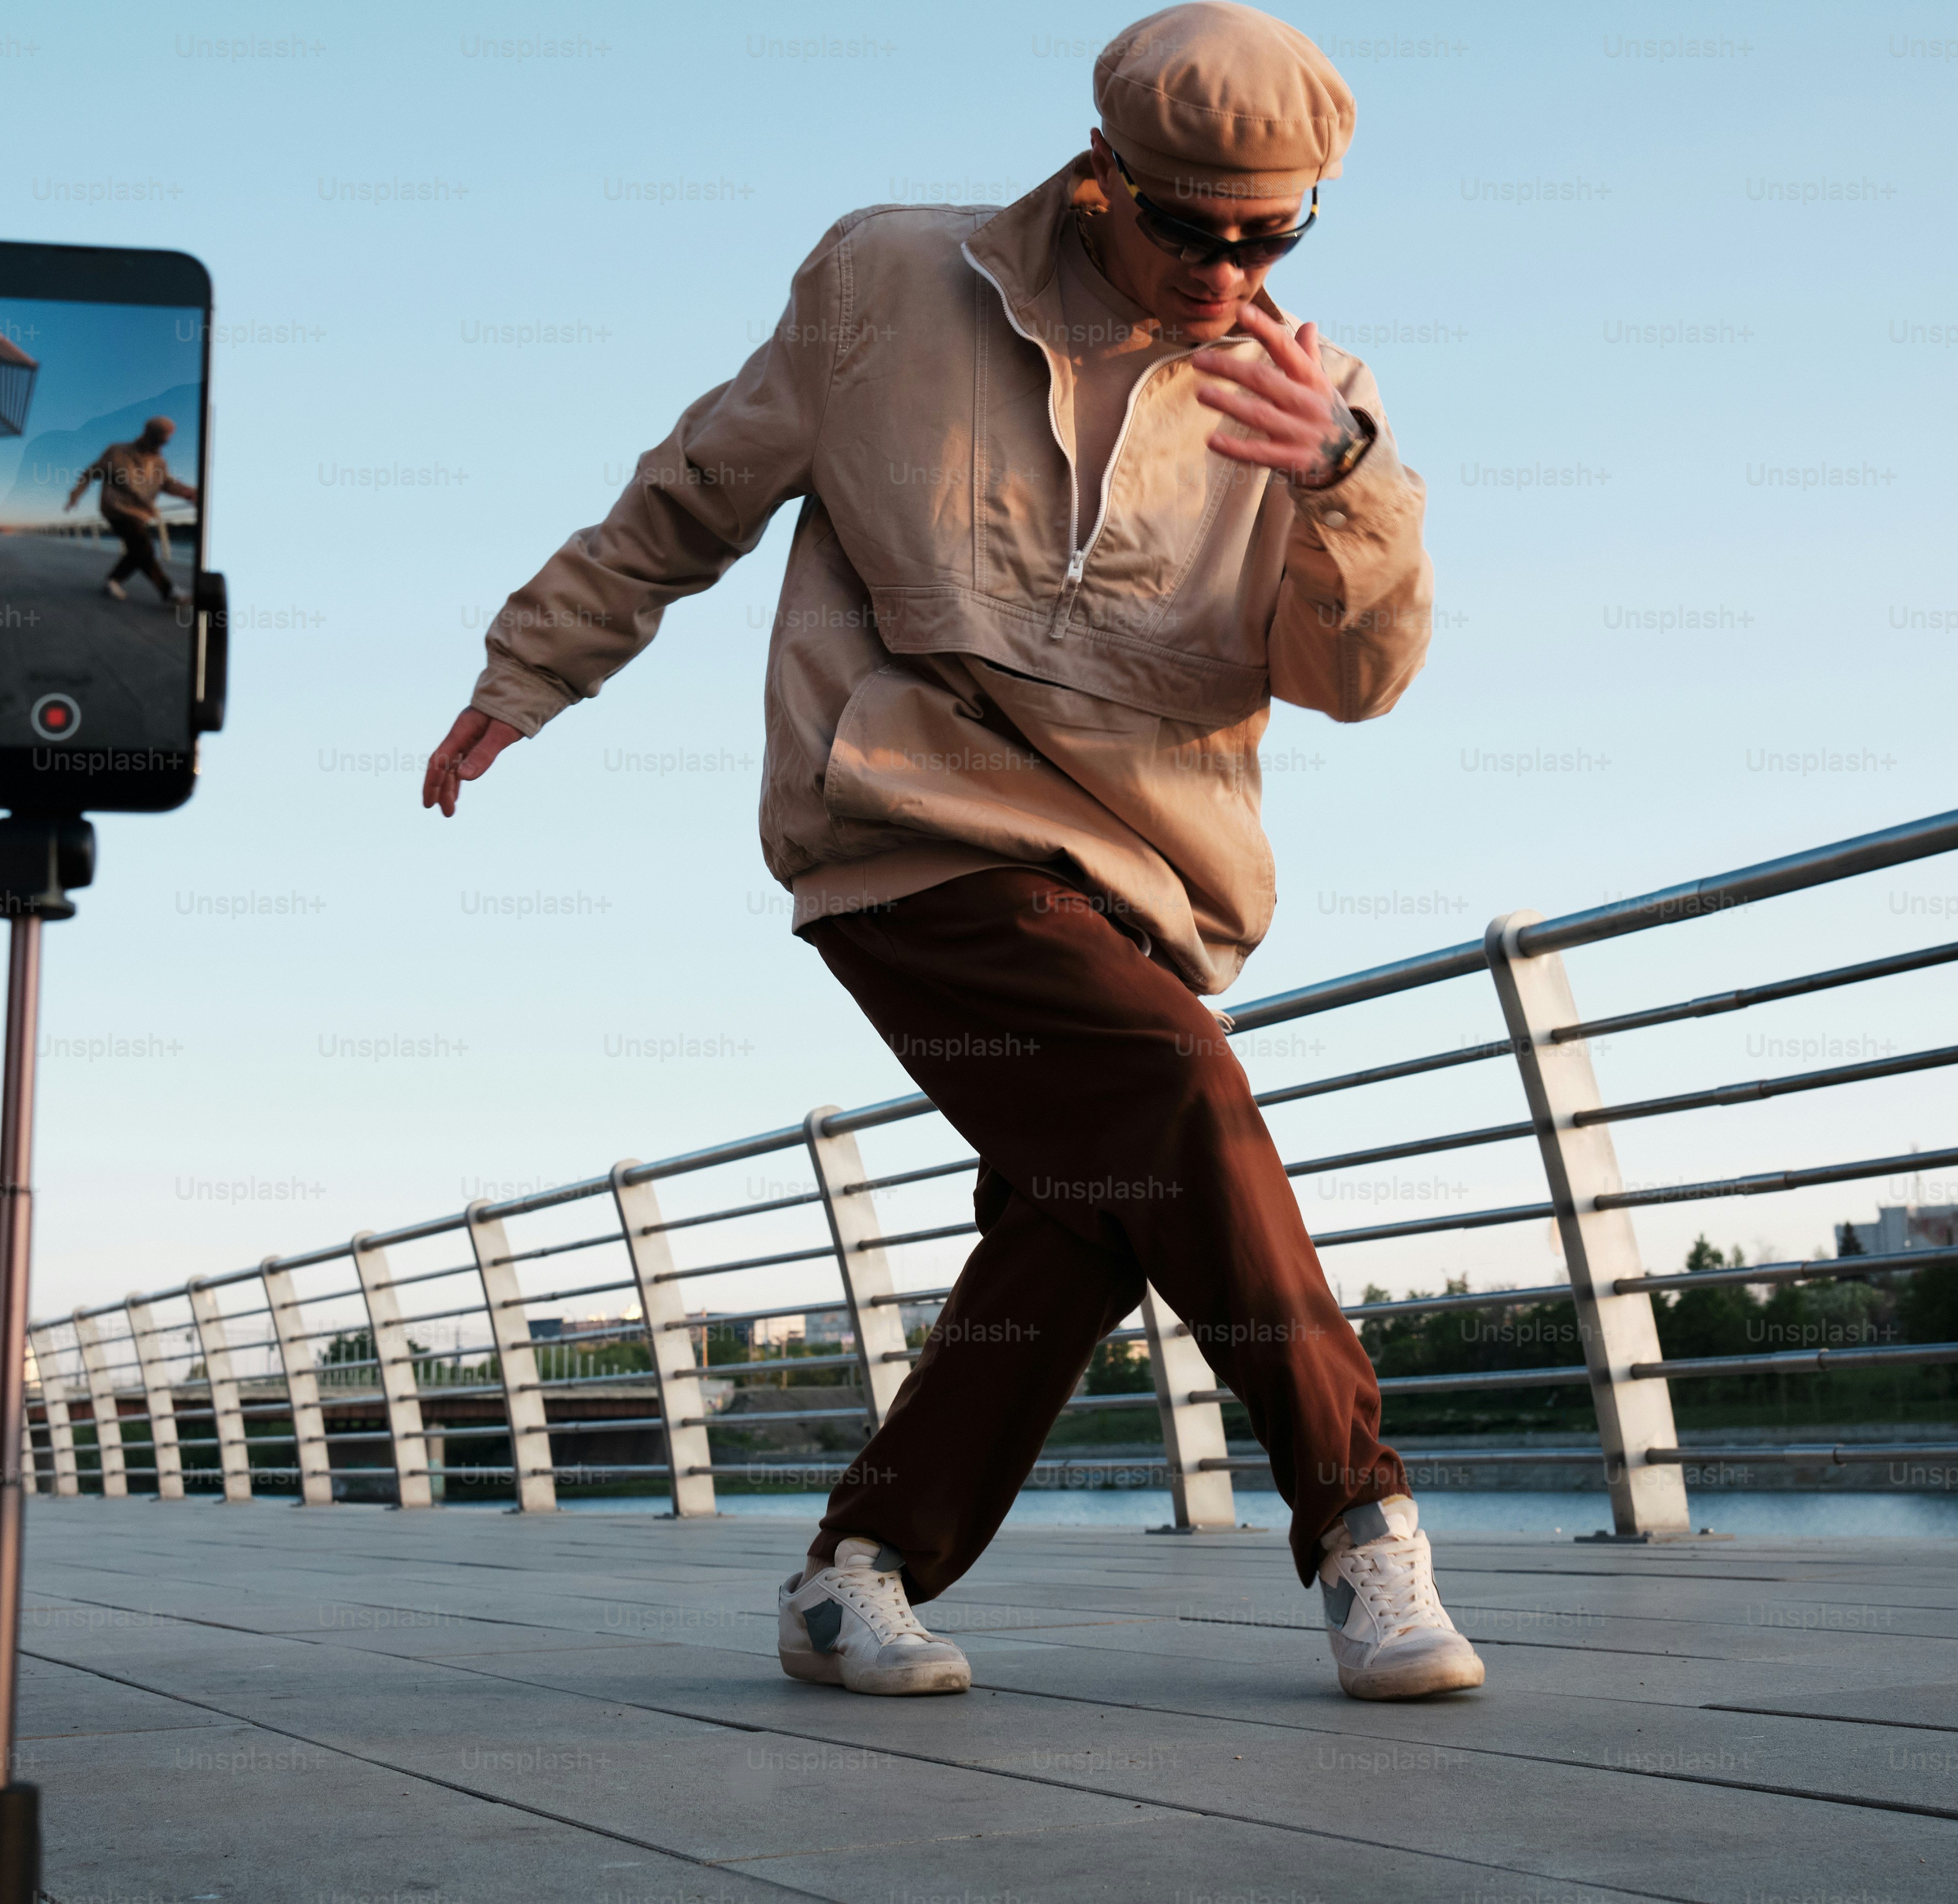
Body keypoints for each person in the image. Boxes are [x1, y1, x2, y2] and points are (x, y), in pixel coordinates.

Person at [422, 2, 1481, 1703]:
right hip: (904, 830)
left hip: (1148, 881)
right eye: (1187, 229)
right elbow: (692, 495)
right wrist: (531, 669)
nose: (1224, 273)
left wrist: (1355, 487)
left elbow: (1358, 680)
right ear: (1099, 178)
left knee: (1083, 1216)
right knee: (1182, 1095)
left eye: (1266, 239)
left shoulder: (1317, 404)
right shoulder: (887, 288)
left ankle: (860, 1572)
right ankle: (1362, 1525)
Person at [64, 415, 196, 610]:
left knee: (138, 550)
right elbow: (92, 472)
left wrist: (191, 494)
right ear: (147, 434)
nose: (160, 445)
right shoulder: (117, 452)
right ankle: (170, 592)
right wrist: (76, 494)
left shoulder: (159, 462)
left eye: (164, 442)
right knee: (143, 546)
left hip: (140, 512)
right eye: (158, 440)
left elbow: (167, 484)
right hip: (116, 508)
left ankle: (113, 580)